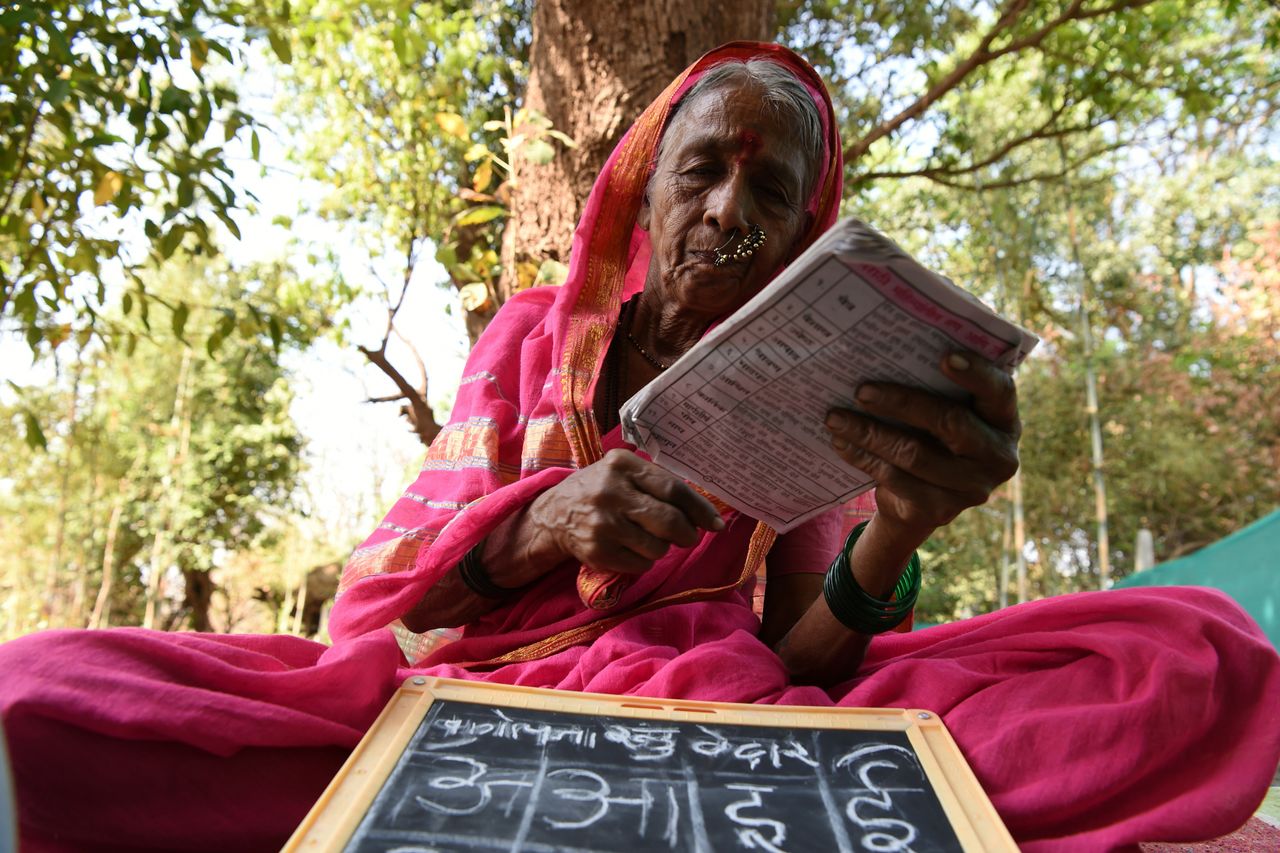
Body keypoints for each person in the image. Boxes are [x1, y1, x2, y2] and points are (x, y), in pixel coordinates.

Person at [1, 42, 1277, 852]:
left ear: (799, 232)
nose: (731, 206)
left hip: (725, 726)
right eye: (705, 169)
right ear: (642, 189)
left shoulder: (830, 390)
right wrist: (537, 526)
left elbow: (806, 664)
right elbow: (372, 622)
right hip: (458, 717)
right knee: (47, 689)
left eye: (770, 189)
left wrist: (898, 525)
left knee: (1191, 653)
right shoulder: (524, 342)